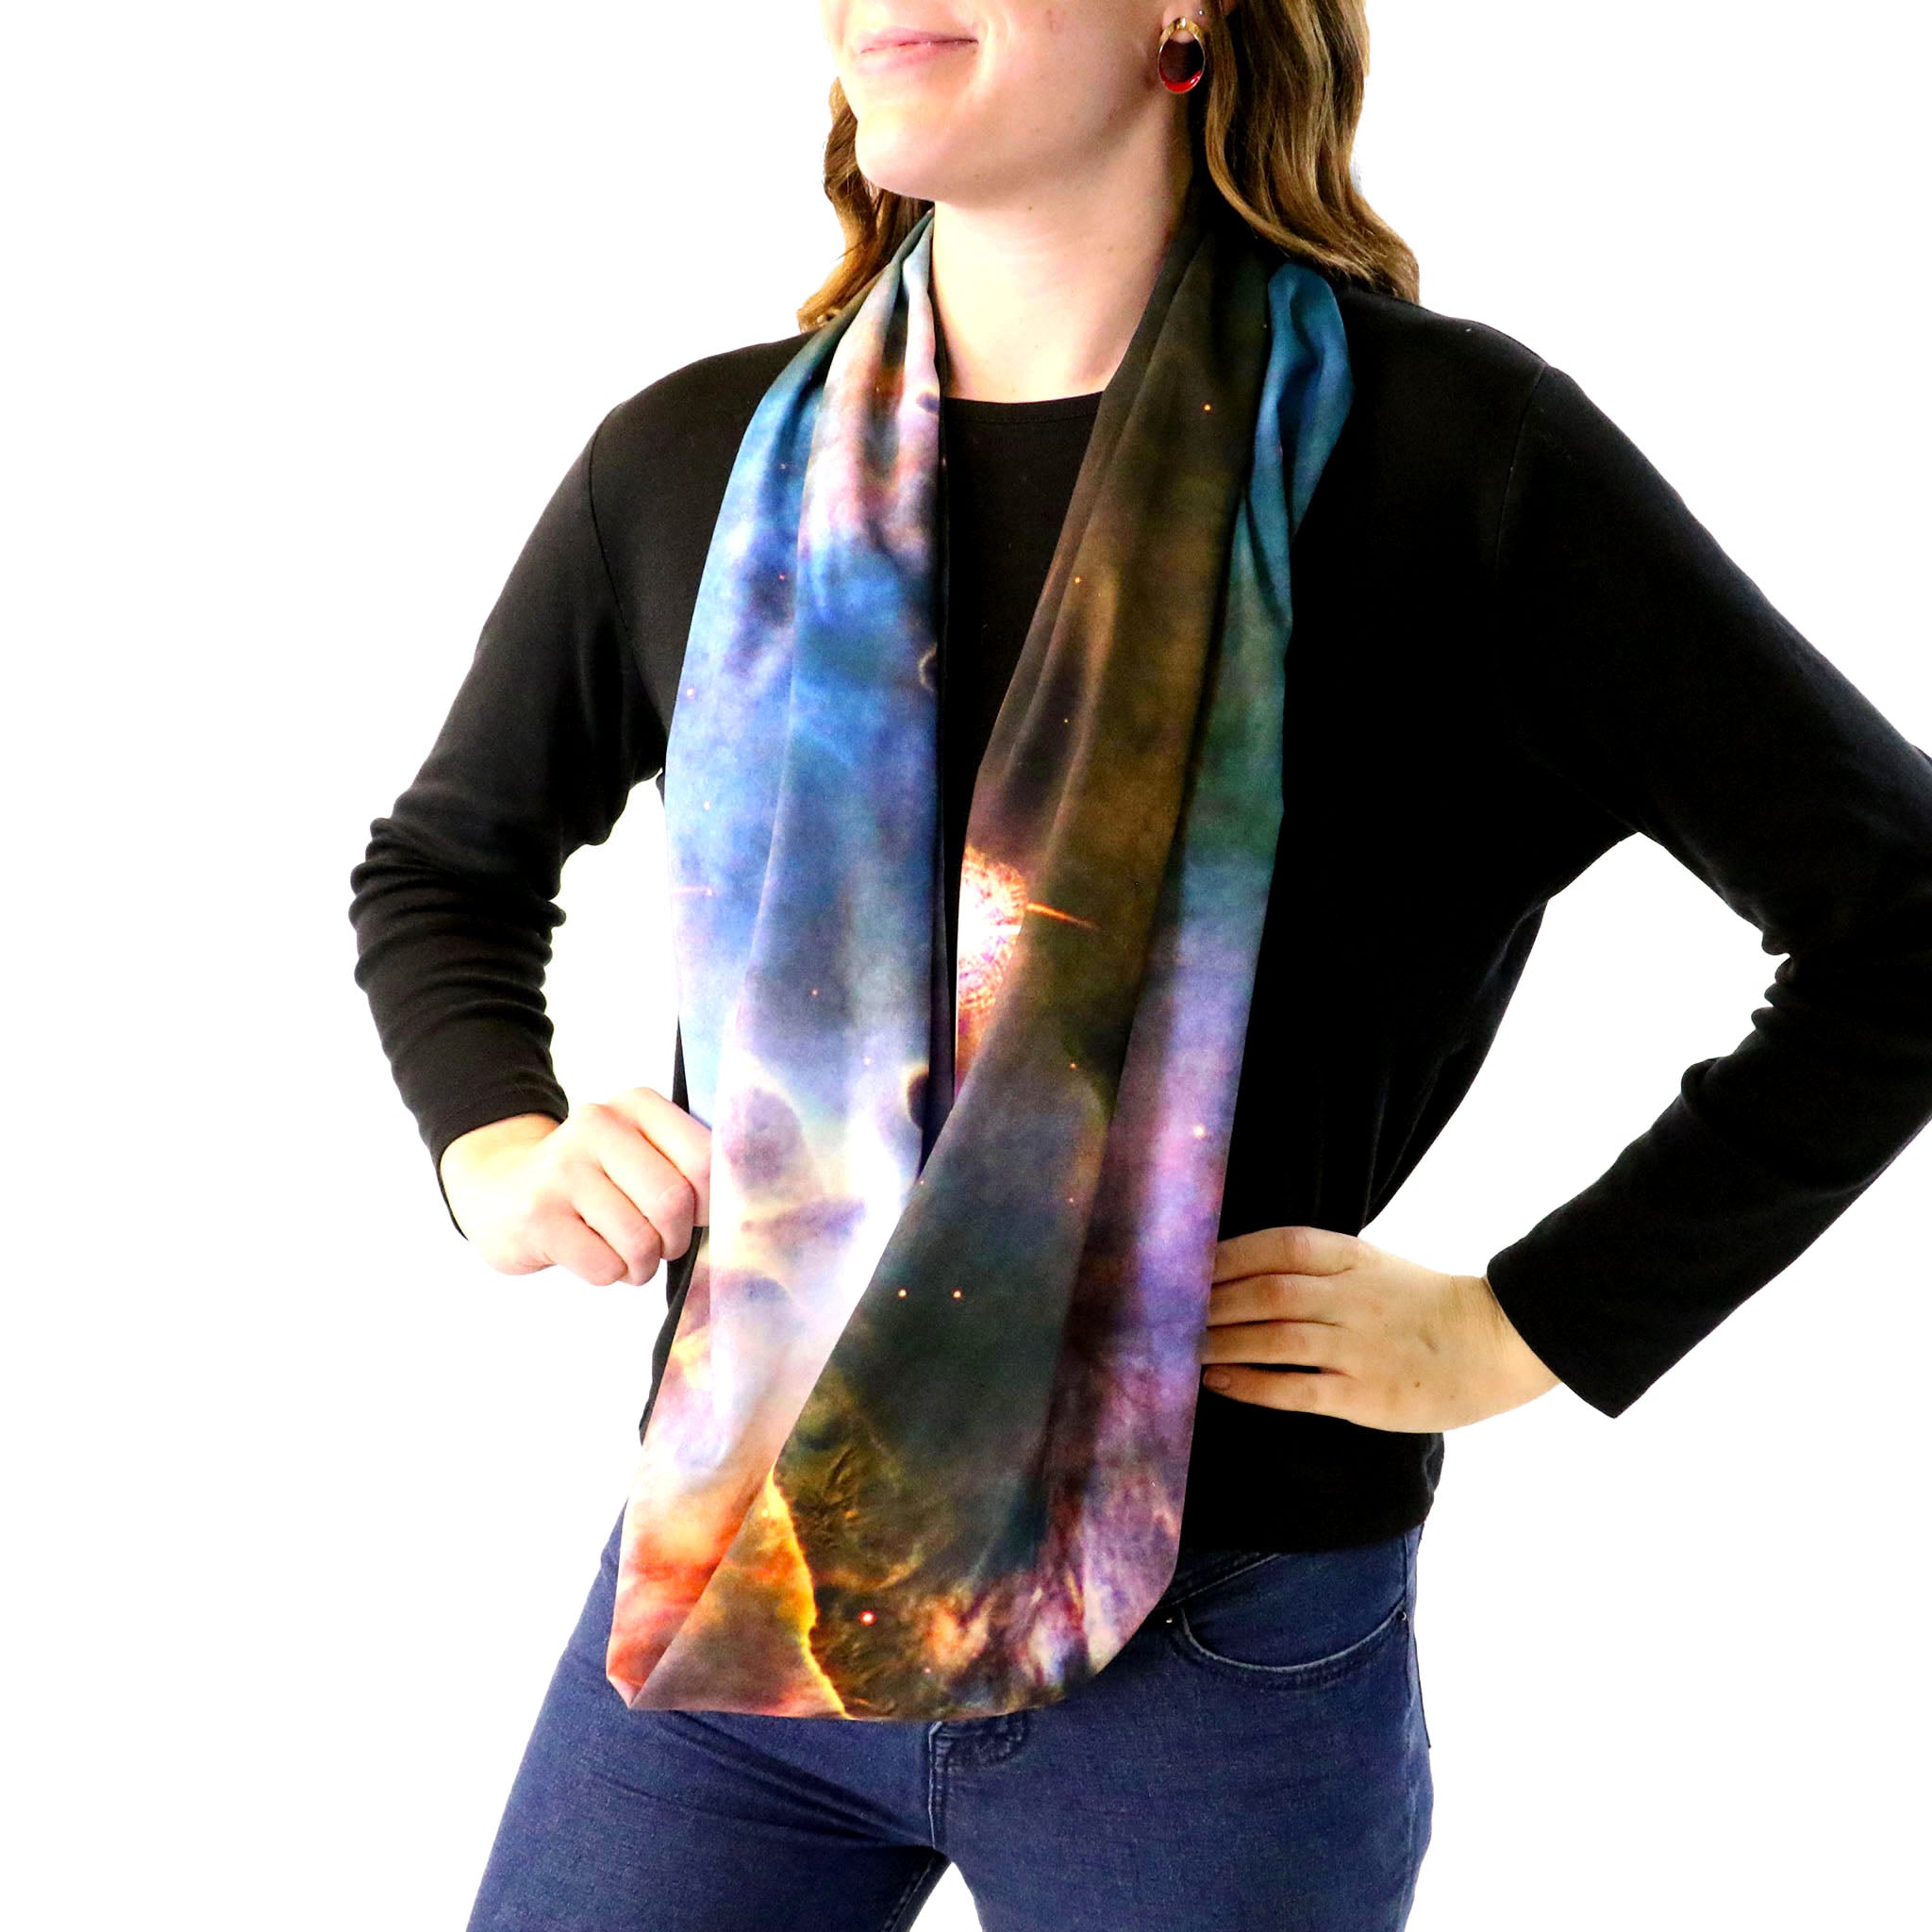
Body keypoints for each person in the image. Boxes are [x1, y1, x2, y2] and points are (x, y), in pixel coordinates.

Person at [347, 4, 1932, 1926]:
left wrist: (1531, 1323)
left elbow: (1902, 919)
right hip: (723, 1601)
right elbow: (445, 867)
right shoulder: (692, 463)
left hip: (1211, 1649)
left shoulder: (1445, 460)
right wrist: (495, 1144)